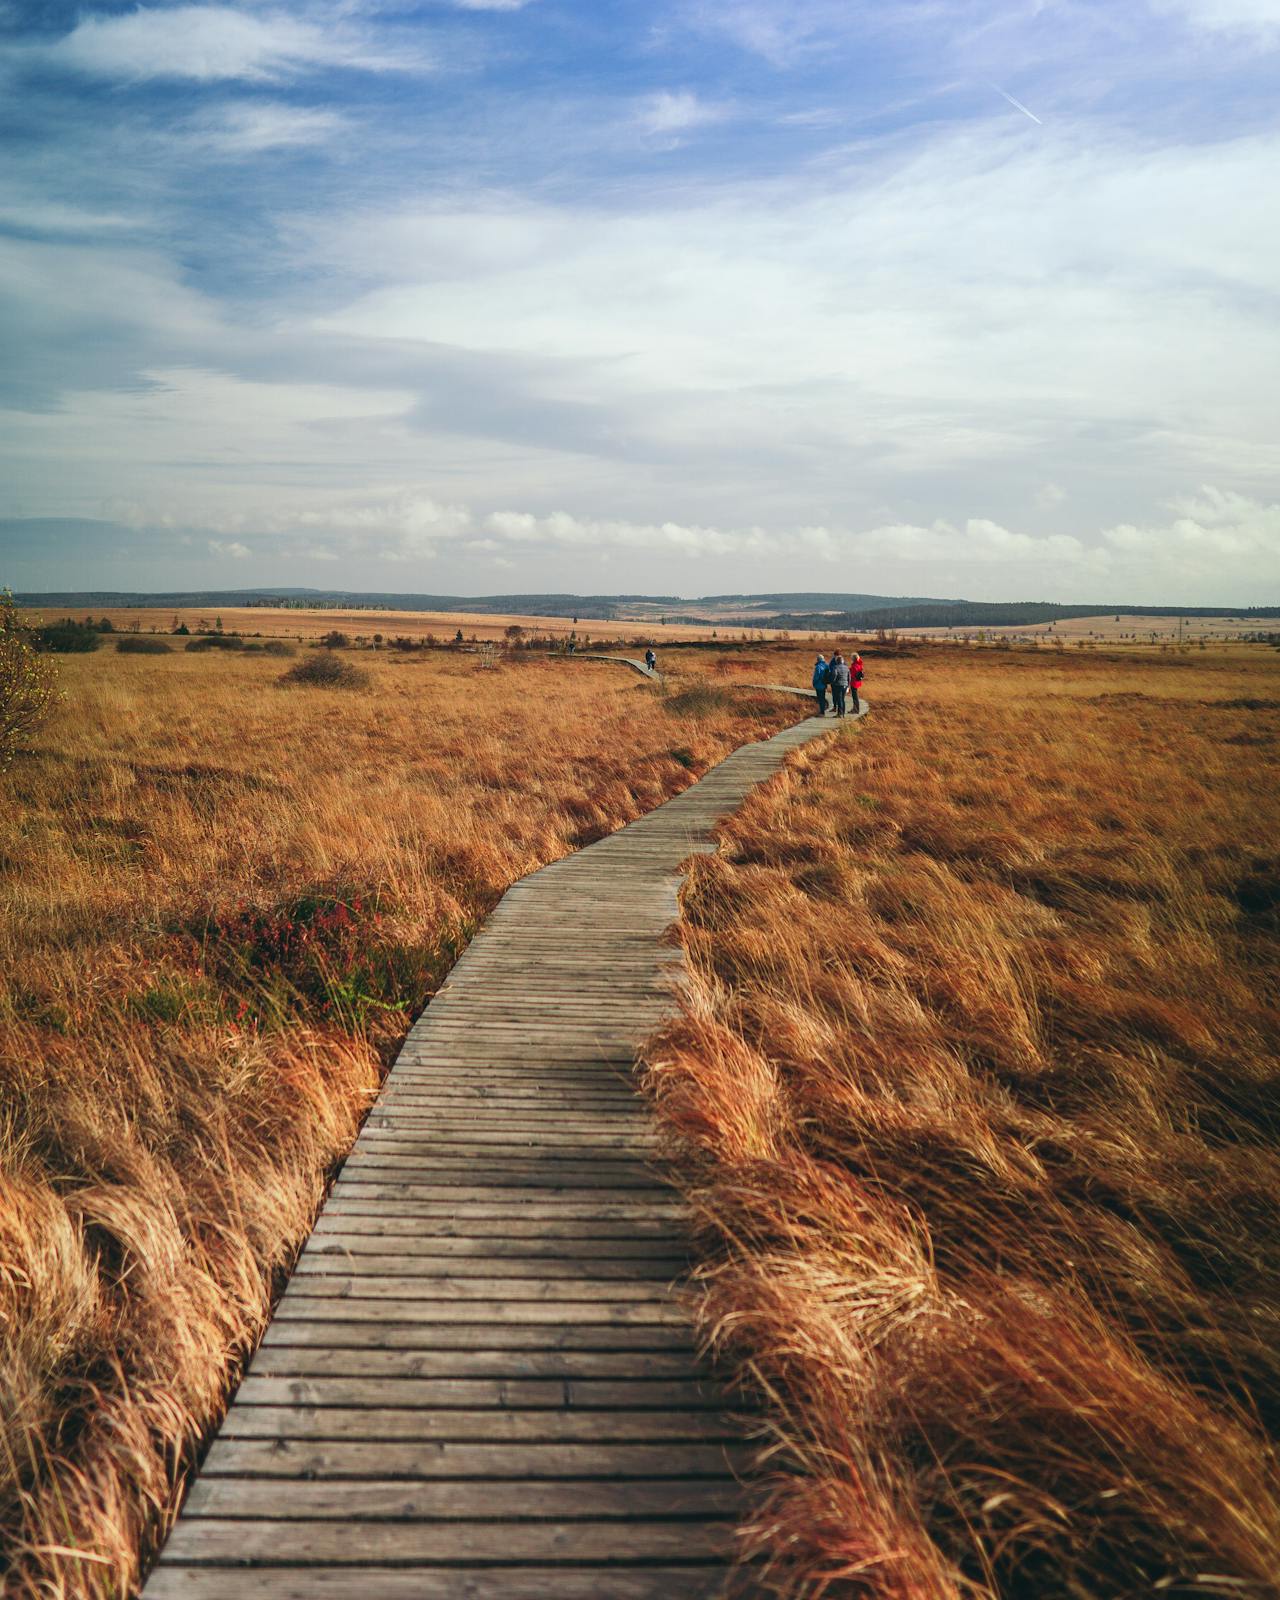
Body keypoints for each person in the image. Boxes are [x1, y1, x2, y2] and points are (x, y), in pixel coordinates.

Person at [829, 652, 850, 717]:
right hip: (845, 685)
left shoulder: (835, 667)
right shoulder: (847, 668)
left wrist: (832, 681)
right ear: (842, 661)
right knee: (842, 699)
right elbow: (849, 677)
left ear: (837, 661)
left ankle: (839, 714)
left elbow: (834, 675)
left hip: (838, 685)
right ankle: (843, 713)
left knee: (839, 699)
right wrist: (848, 686)